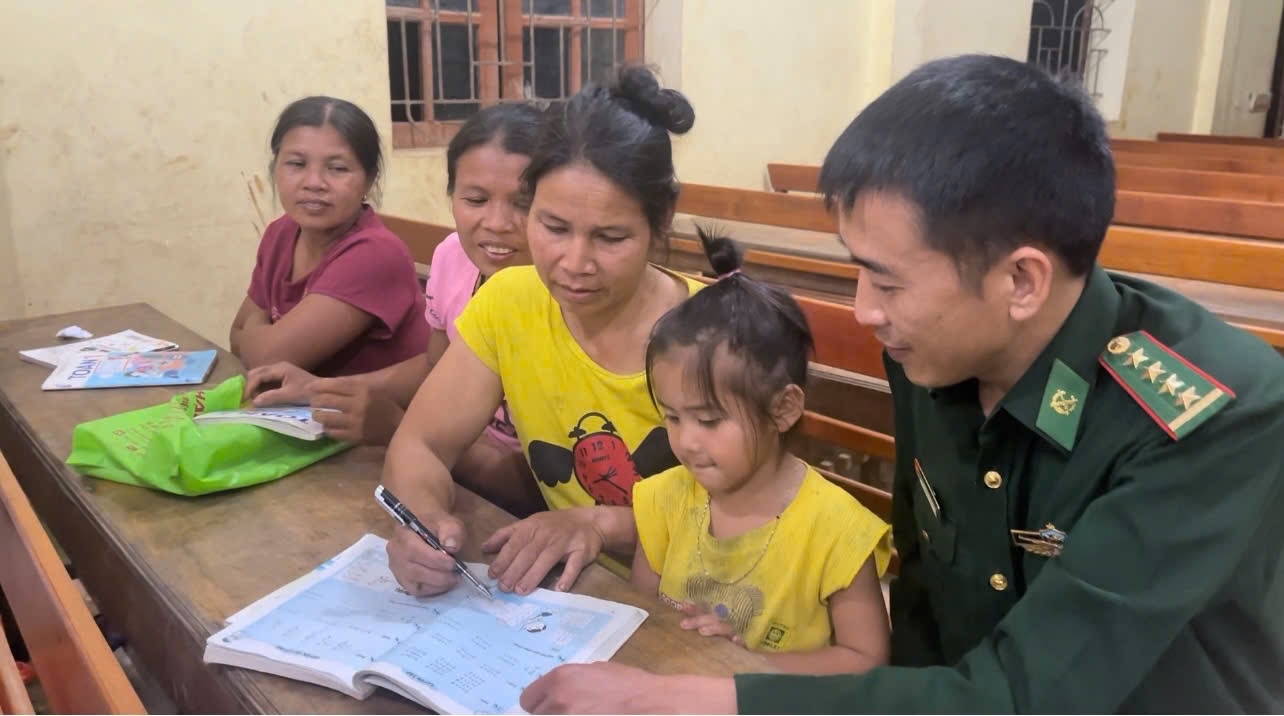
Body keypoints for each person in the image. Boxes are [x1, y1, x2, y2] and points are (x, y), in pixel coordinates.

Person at [519, 54, 1284, 714]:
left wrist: (685, 696)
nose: (864, 311)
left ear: (1021, 281)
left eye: (886, 281)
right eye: (857, 271)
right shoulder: (930, 351)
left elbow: (1020, 697)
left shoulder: (1211, 422)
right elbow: (924, 604)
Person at [382, 65, 704, 598]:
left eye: (610, 237)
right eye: (553, 227)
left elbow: (746, 515)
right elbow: (421, 444)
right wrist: (423, 521)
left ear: (662, 217)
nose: (575, 263)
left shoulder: (713, 337)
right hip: (579, 598)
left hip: (703, 609)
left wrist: (599, 524)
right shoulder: (510, 303)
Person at [243, 102, 545, 516]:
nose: (496, 222)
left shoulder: (566, 300)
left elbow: (543, 488)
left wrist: (399, 427)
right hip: (450, 462)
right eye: (475, 199)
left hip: (512, 491)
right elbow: (434, 366)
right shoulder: (454, 257)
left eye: (523, 203)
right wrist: (322, 391)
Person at [635, 227, 892, 674]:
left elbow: (865, 661)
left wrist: (747, 666)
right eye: (672, 417)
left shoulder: (837, 531)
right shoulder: (663, 500)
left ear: (783, 409)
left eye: (709, 420)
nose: (686, 441)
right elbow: (640, 618)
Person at [229, 96, 428, 377]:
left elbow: (267, 359)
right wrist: (259, 336)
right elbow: (235, 335)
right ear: (275, 169)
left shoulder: (375, 254)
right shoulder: (281, 233)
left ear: (369, 179)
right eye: (296, 164)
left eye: (337, 168)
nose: (314, 183)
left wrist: (257, 323)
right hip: (296, 402)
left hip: (390, 406)